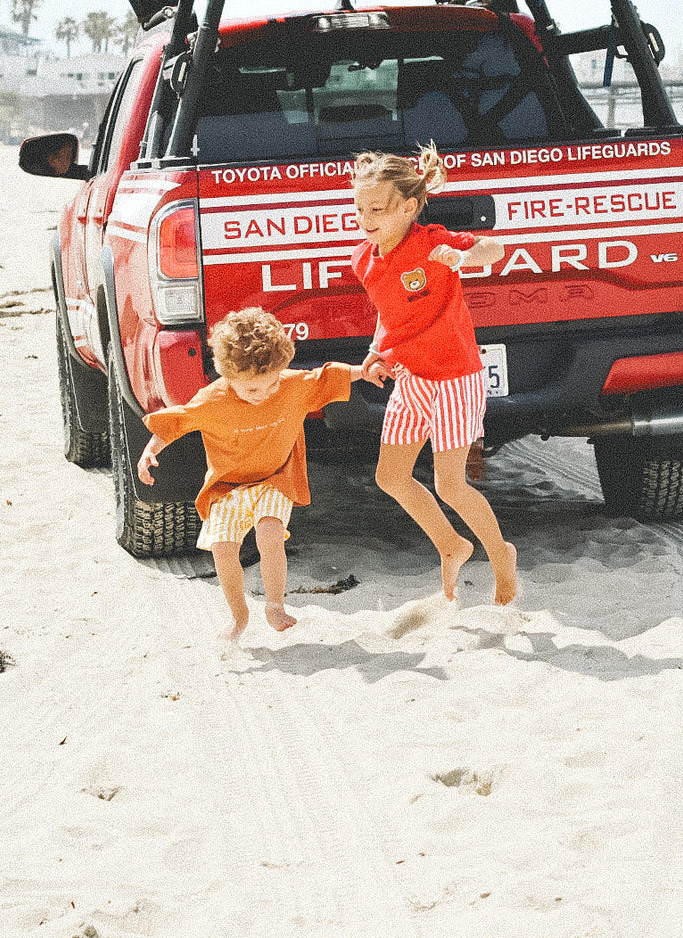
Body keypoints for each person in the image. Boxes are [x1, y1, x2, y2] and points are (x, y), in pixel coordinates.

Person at [350, 144, 518, 606]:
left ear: (407, 208)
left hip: (454, 380)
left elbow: (495, 247)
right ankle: (451, 544)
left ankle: (502, 558)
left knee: (451, 485)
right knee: (391, 476)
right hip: (411, 379)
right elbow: (390, 313)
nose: (366, 218)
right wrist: (374, 350)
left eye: (377, 210)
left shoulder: (429, 242)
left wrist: (462, 259)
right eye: (360, 208)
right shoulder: (364, 260)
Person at [138, 308, 363, 644]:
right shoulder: (212, 400)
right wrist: (150, 450)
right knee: (223, 546)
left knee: (269, 533)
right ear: (228, 376)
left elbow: (327, 377)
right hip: (227, 486)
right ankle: (239, 616)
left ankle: (275, 606)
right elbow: (176, 422)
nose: (266, 394)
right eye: (254, 390)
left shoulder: (289, 386)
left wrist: (367, 371)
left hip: (276, 476)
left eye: (272, 382)